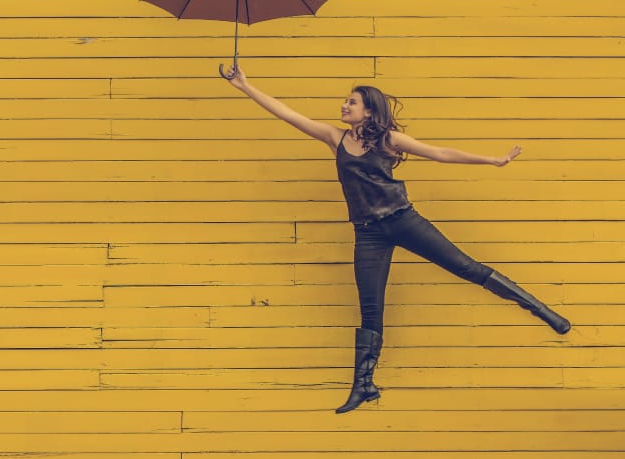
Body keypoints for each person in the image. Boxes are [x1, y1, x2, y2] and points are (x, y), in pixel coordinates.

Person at [221, 64, 570, 414]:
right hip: (368, 233)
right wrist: (244, 86)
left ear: (368, 110)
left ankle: (541, 309)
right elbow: (287, 114)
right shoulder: (334, 137)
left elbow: (439, 152)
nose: (344, 106)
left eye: (351, 102)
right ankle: (364, 385)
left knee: (465, 267)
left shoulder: (388, 139)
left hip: (403, 220)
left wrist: (492, 160)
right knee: (370, 310)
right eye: (346, 101)